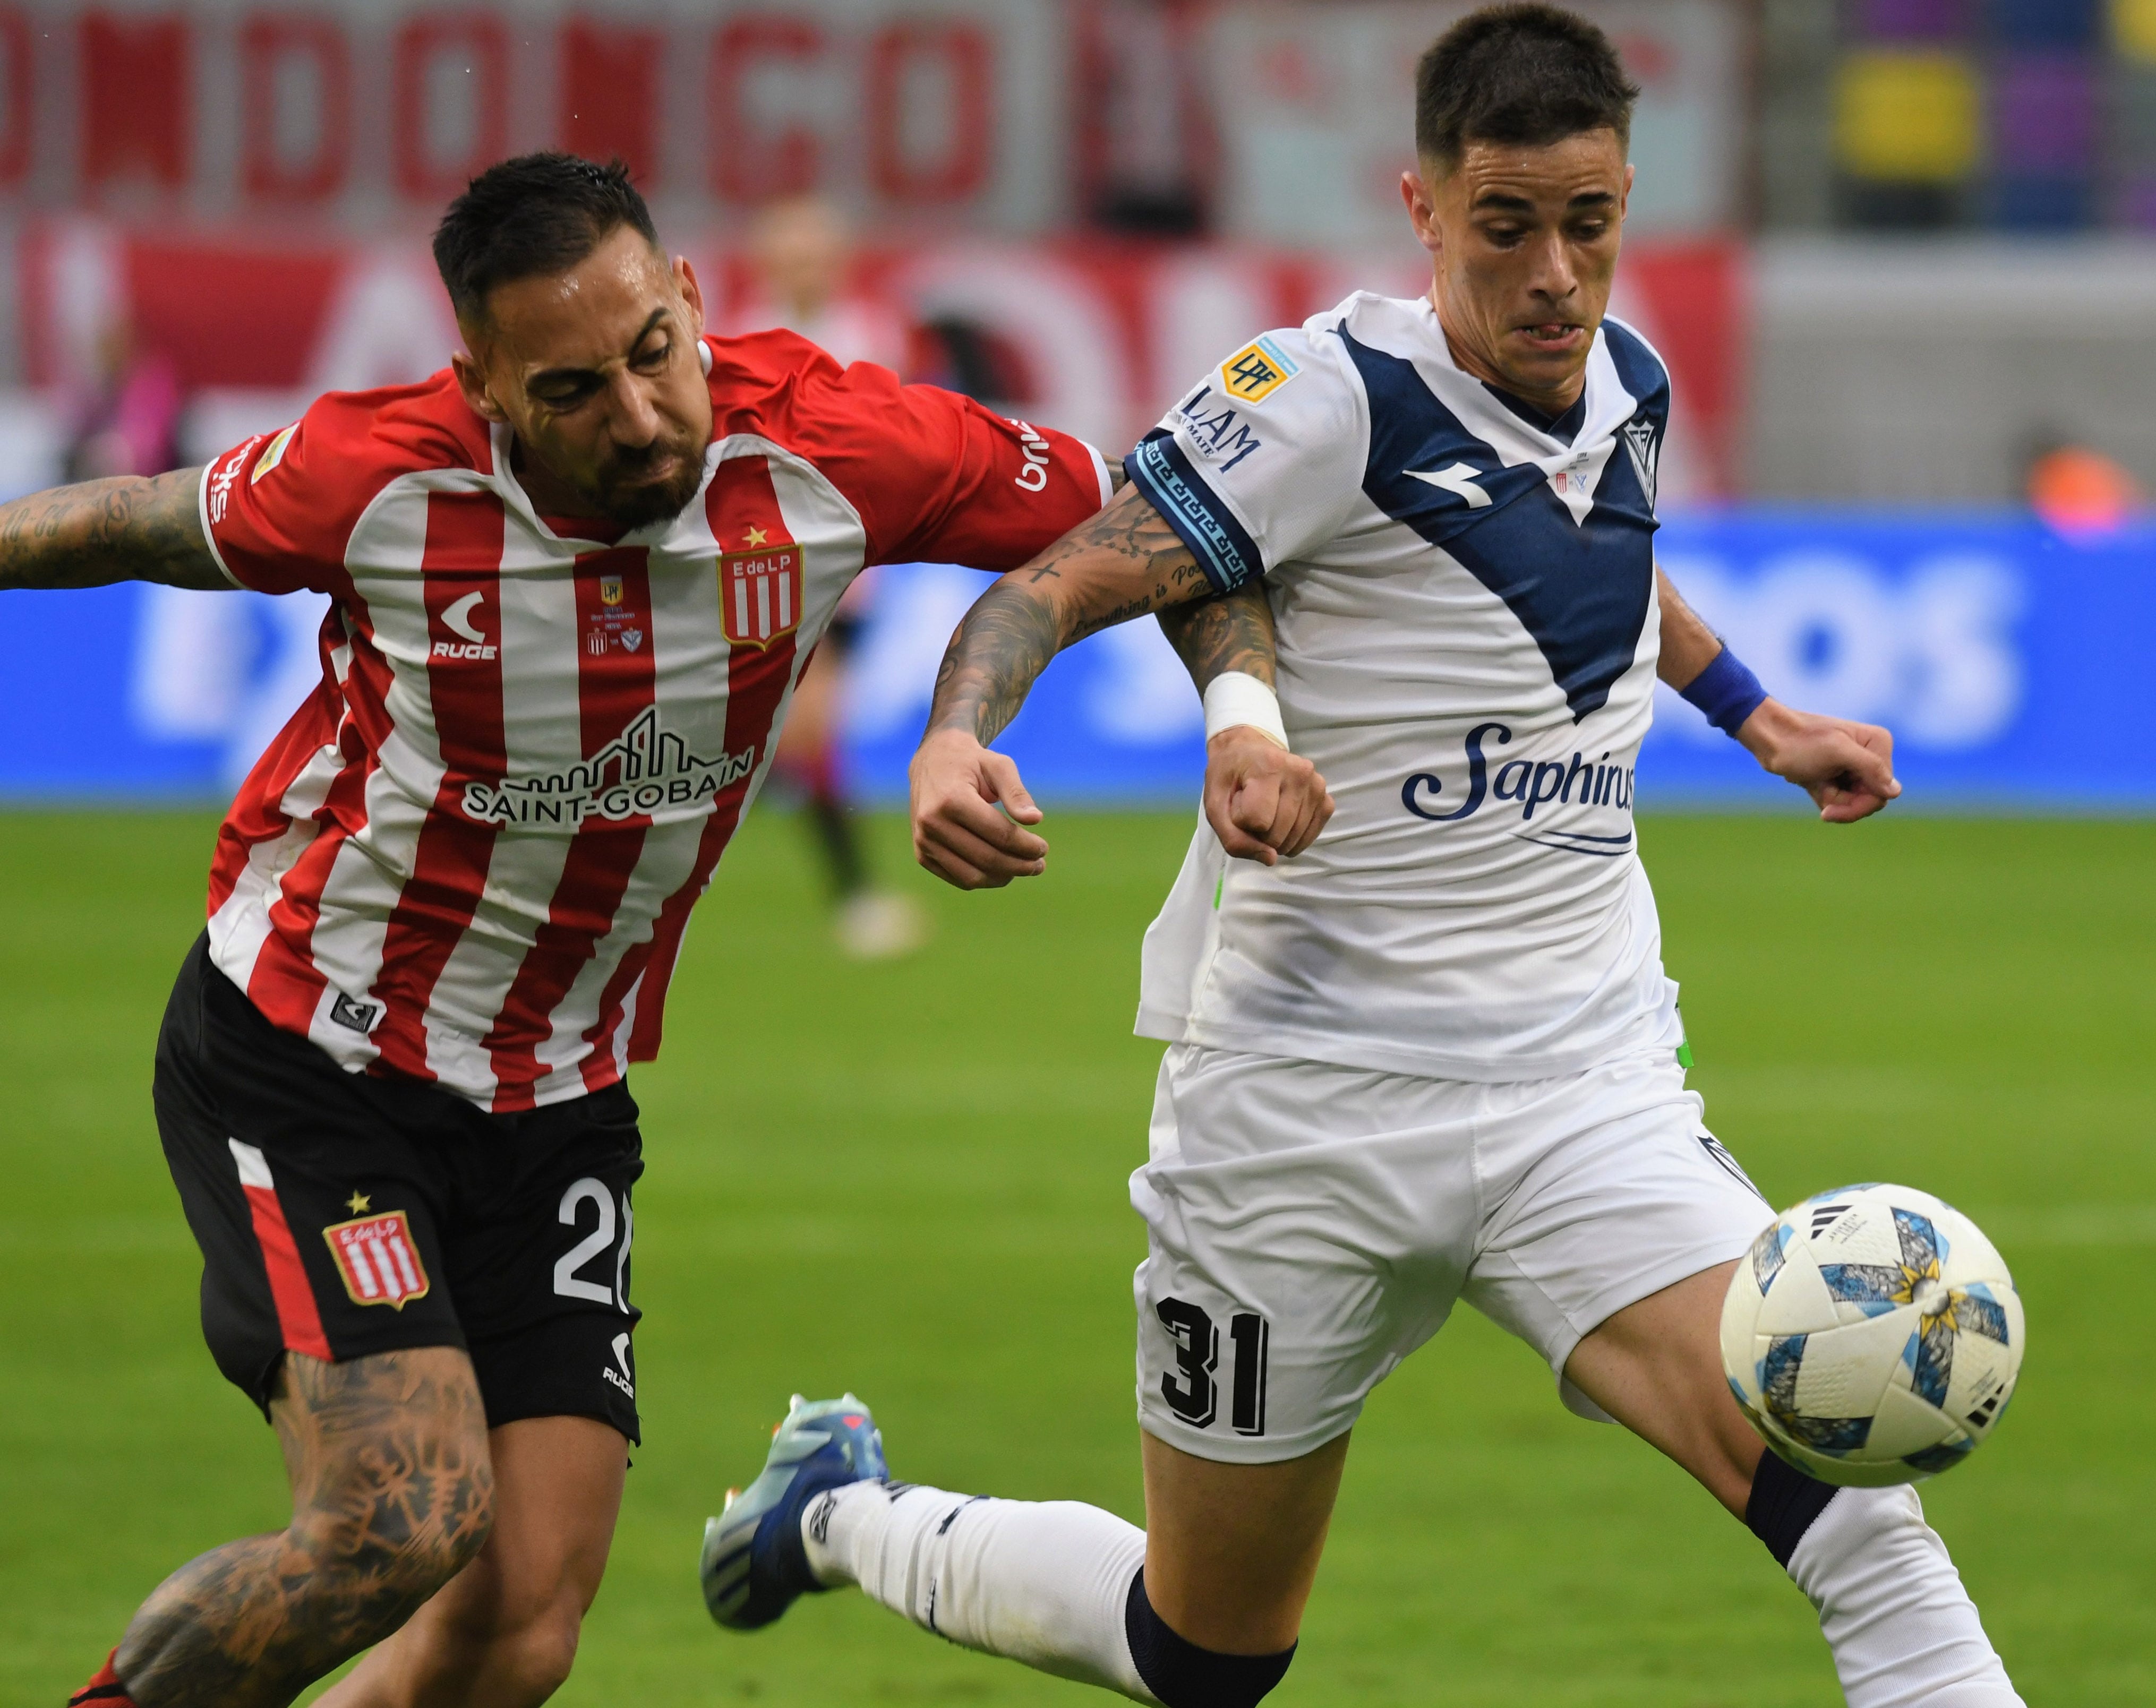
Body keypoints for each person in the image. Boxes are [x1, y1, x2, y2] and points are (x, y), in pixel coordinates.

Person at [700, 11, 2025, 1707]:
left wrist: (1757, 716)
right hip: (1303, 1110)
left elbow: (1603, 579)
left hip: (1583, 1089)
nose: (1558, 275)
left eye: (1593, 224)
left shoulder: (1628, 381)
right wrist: (963, 733)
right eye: (1507, 229)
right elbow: (1068, 576)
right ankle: (847, 1517)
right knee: (1205, 1652)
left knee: (1864, 1530)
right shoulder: (1325, 398)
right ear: (1423, 204)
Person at [23, 153, 1113, 1708]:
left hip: (557, 1101)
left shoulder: (831, 439)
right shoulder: (381, 477)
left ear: (688, 298)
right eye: (575, 387)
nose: (640, 414)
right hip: (313, 1054)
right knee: (395, 1523)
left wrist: (993, 720)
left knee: (516, 1630)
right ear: (484, 383)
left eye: (654, 354)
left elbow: (1158, 525)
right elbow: (130, 517)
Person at [736, 195, 929, 958]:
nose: (805, 267)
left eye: (816, 252)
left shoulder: (871, 334)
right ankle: (856, 900)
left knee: (793, 734)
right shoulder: (741, 334)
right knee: (794, 734)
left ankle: (851, 899)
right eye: (792, 253)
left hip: (847, 564)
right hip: (757, 557)